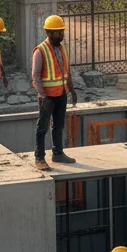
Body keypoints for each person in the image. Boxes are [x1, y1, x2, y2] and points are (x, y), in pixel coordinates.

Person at [32, 15, 77, 170]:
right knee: (42, 127)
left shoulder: (62, 48)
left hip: (61, 94)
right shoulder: (40, 51)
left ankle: (58, 153)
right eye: (58, 32)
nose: (62, 35)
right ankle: (39, 158)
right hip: (47, 97)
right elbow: (36, 76)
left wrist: (71, 88)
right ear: (49, 33)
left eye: (62, 32)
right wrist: (44, 97)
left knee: (58, 125)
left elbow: (66, 70)